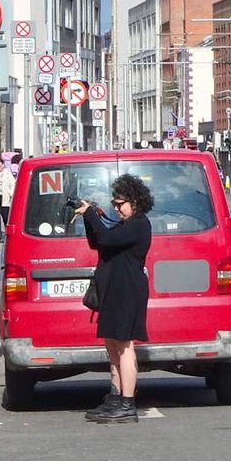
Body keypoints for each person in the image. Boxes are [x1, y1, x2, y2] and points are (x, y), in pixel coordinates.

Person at [74, 174, 154, 424]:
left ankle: (128, 403)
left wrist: (91, 215)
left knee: (124, 345)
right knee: (112, 345)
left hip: (127, 291)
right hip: (113, 290)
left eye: (120, 204)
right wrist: (88, 217)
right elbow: (98, 242)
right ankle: (116, 396)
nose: (117, 209)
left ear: (135, 201)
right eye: (114, 204)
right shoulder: (125, 224)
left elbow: (107, 239)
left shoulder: (139, 224)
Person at [0, 156, 16, 228]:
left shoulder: (8, 174)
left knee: (5, 216)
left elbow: (13, 185)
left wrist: (11, 194)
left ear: (3, 165)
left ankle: (6, 229)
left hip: (5, 198)